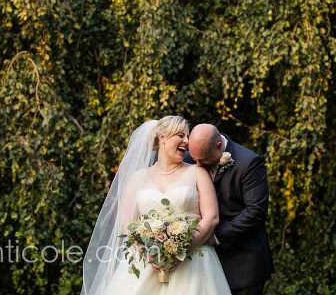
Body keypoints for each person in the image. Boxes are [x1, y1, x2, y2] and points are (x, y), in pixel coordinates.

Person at [81, 116, 231, 295]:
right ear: (162, 138)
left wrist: (182, 249)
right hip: (147, 263)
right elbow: (126, 225)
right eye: (180, 135)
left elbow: (212, 217)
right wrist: (149, 253)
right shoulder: (136, 178)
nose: (186, 141)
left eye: (188, 136)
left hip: (194, 264)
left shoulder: (197, 172)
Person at [186, 123, 274, 295]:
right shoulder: (191, 159)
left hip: (243, 265)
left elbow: (255, 212)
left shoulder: (249, 162)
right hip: (204, 264)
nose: (197, 164)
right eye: (194, 157)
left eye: (203, 159)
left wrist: (216, 236)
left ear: (219, 146)